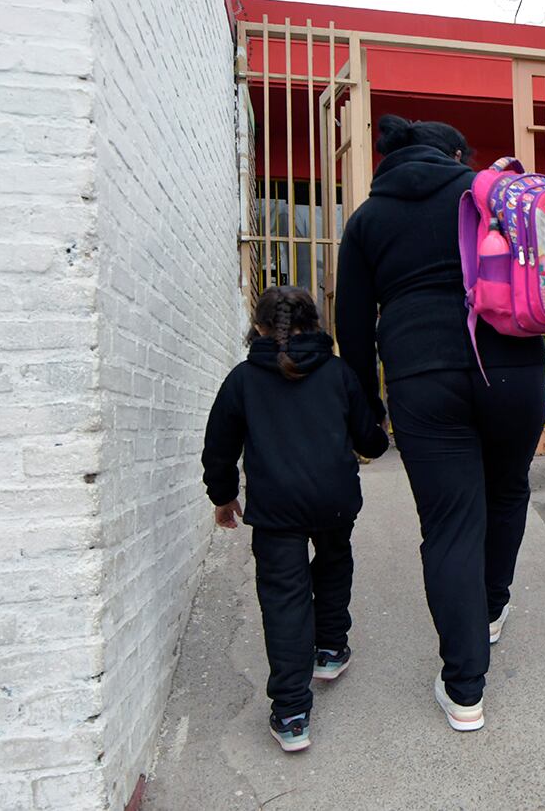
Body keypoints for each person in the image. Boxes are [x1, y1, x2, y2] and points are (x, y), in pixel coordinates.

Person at [335, 117, 545, 732]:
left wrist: (368, 403)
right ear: (455, 153)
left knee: (452, 524)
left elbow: (353, 325)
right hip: (511, 368)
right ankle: (490, 608)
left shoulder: (368, 221)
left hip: (422, 378)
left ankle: (465, 689)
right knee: (507, 489)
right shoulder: (489, 192)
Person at [201, 286, 390, 752]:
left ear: (261, 328)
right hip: (334, 501)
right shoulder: (339, 374)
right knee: (332, 566)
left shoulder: (243, 380)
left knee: (284, 599)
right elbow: (372, 442)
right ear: (315, 322)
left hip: (275, 509)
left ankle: (290, 714)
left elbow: (218, 448)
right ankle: (329, 649)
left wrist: (223, 497)